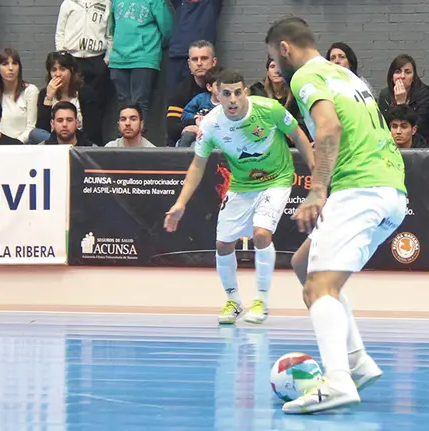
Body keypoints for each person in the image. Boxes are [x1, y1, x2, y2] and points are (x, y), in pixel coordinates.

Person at [266, 17, 407, 414]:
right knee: (303, 263)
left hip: (360, 189)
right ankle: (357, 362)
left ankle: (338, 381)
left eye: (274, 60)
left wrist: (316, 190)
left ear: (284, 49)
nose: (276, 68)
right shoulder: (345, 74)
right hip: (390, 188)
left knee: (318, 288)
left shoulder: (305, 76)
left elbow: (328, 130)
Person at [163, 69, 314, 326]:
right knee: (223, 244)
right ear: (216, 94)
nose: (232, 99)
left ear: (245, 91)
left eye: (237, 92)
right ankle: (233, 301)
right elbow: (197, 165)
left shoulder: (270, 110)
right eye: (226, 93)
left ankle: (262, 300)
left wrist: (317, 180)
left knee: (261, 234)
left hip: (277, 179)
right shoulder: (211, 124)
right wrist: (180, 202)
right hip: (241, 185)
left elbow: (298, 135)